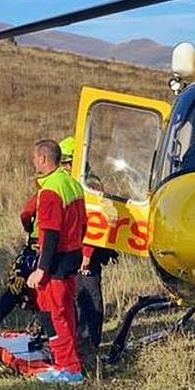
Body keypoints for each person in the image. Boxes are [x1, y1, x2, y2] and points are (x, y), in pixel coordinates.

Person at [25, 139, 88, 384]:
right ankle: (71, 361)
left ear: (43, 159)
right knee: (67, 311)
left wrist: (41, 269)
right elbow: (83, 223)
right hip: (73, 255)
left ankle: (68, 368)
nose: (33, 162)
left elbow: (50, 232)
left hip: (56, 259)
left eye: (34, 158)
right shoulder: (72, 183)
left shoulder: (50, 189)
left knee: (52, 313)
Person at [58, 135, 117, 353]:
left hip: (86, 252)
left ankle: (89, 341)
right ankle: (79, 338)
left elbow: (95, 223)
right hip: (74, 249)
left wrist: (87, 254)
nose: (63, 167)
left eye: (65, 162)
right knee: (77, 296)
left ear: (74, 161)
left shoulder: (90, 185)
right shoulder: (77, 182)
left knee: (88, 296)